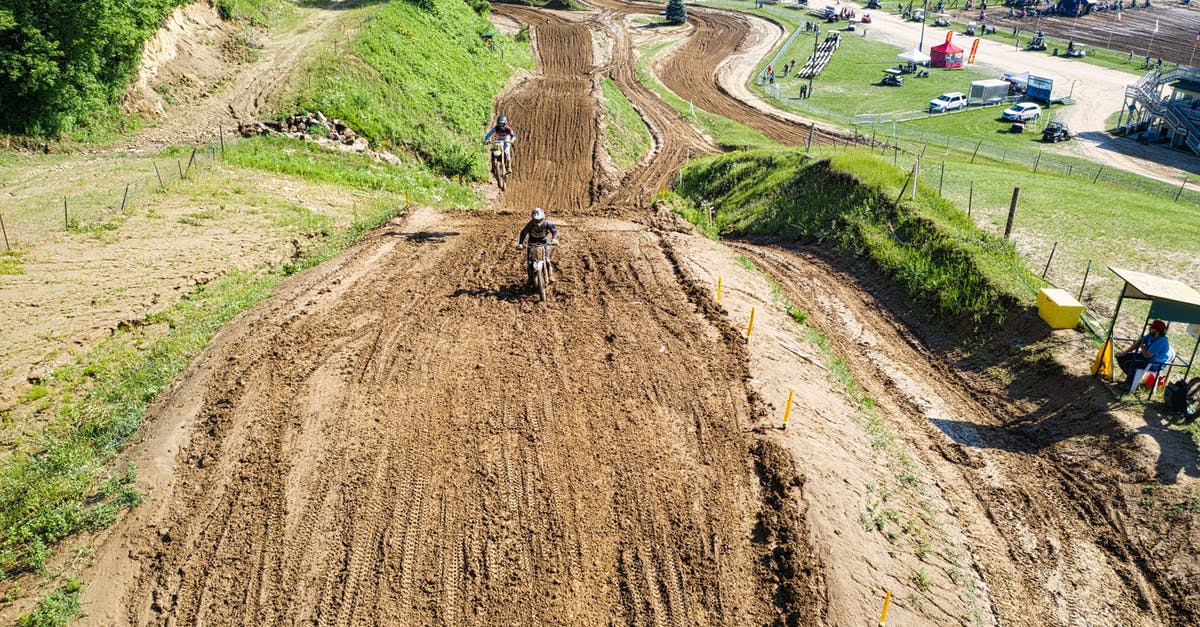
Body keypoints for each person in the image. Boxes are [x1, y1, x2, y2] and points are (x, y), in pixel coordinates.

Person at [1117, 319, 1172, 384]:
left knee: (1128, 364)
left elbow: (1147, 355)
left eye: (1151, 327)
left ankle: (1129, 384)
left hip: (1154, 363)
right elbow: (1138, 343)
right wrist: (1125, 352)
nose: (1149, 328)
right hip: (1145, 357)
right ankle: (1132, 379)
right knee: (1121, 357)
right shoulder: (1151, 335)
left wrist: (1141, 346)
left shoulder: (1161, 341)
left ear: (1157, 330)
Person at [517, 208, 559, 283]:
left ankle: (550, 276)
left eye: (540, 220)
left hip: (544, 240)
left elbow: (554, 230)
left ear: (543, 217)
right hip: (532, 241)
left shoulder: (547, 223)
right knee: (530, 261)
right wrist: (520, 243)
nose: (538, 222)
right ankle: (530, 278)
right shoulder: (530, 224)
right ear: (533, 218)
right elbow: (523, 233)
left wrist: (554, 239)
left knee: (547, 260)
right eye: (536, 220)